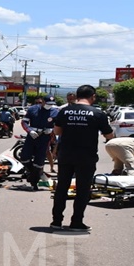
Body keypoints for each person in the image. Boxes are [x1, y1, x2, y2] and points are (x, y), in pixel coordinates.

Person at [51, 84, 114, 232]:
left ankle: (56, 221)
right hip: (86, 156)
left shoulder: (64, 111)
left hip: (66, 154)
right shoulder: (98, 114)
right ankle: (76, 222)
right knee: (83, 190)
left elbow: (57, 131)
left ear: (77, 96)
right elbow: (109, 135)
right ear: (93, 97)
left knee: (62, 187)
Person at [19, 95, 59, 189]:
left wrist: (51, 130)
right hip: (32, 135)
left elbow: (58, 125)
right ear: (43, 102)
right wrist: (29, 131)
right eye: (48, 104)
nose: (50, 106)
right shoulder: (33, 109)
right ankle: (32, 173)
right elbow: (24, 122)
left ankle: (34, 182)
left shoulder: (55, 111)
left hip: (44, 137)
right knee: (24, 157)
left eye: (51, 104)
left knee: (39, 161)